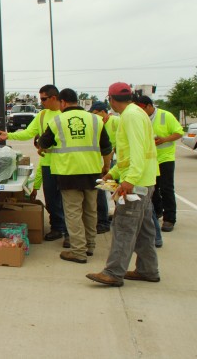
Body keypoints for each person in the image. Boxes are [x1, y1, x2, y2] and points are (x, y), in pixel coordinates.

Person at [86, 82, 159, 287]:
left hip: (137, 183)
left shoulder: (130, 116)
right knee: (144, 230)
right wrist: (114, 172)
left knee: (124, 227)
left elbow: (136, 151)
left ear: (110, 99)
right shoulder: (136, 112)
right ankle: (148, 269)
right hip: (145, 179)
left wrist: (129, 180)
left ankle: (113, 272)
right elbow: (130, 154)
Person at [38, 89, 112, 263]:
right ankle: (90, 246)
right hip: (93, 171)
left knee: (73, 212)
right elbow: (107, 148)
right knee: (90, 210)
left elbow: (43, 143)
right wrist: (106, 167)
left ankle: (78, 251)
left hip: (69, 172)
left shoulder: (57, 120)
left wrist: (44, 146)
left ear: (62, 102)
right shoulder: (96, 120)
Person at [0, 85, 68, 246]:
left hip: (66, 164)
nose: (41, 102)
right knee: (51, 199)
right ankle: (57, 227)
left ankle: (70, 231)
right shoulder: (42, 115)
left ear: (54, 98)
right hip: (48, 163)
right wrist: (9, 135)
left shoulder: (65, 114)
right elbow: (28, 133)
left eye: (43, 99)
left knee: (69, 200)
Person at [135, 95, 184, 233]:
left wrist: (164, 139)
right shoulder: (140, 118)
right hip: (150, 160)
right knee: (153, 188)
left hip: (165, 158)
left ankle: (170, 218)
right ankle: (157, 212)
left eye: (142, 109)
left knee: (167, 188)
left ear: (149, 106)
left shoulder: (165, 115)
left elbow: (179, 132)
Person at [89, 101, 121, 233]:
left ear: (104, 112)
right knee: (105, 190)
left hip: (115, 162)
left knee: (115, 190)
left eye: (96, 114)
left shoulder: (116, 121)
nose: (95, 116)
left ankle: (115, 218)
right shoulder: (96, 124)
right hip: (103, 162)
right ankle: (105, 219)